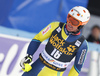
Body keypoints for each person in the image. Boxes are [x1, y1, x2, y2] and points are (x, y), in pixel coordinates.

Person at [20, 6, 90, 76]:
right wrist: (29, 55)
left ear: (81, 25)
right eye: (69, 18)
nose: (69, 23)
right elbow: (38, 38)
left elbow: (77, 67)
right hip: (36, 68)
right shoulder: (55, 26)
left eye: (74, 22)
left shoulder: (83, 44)